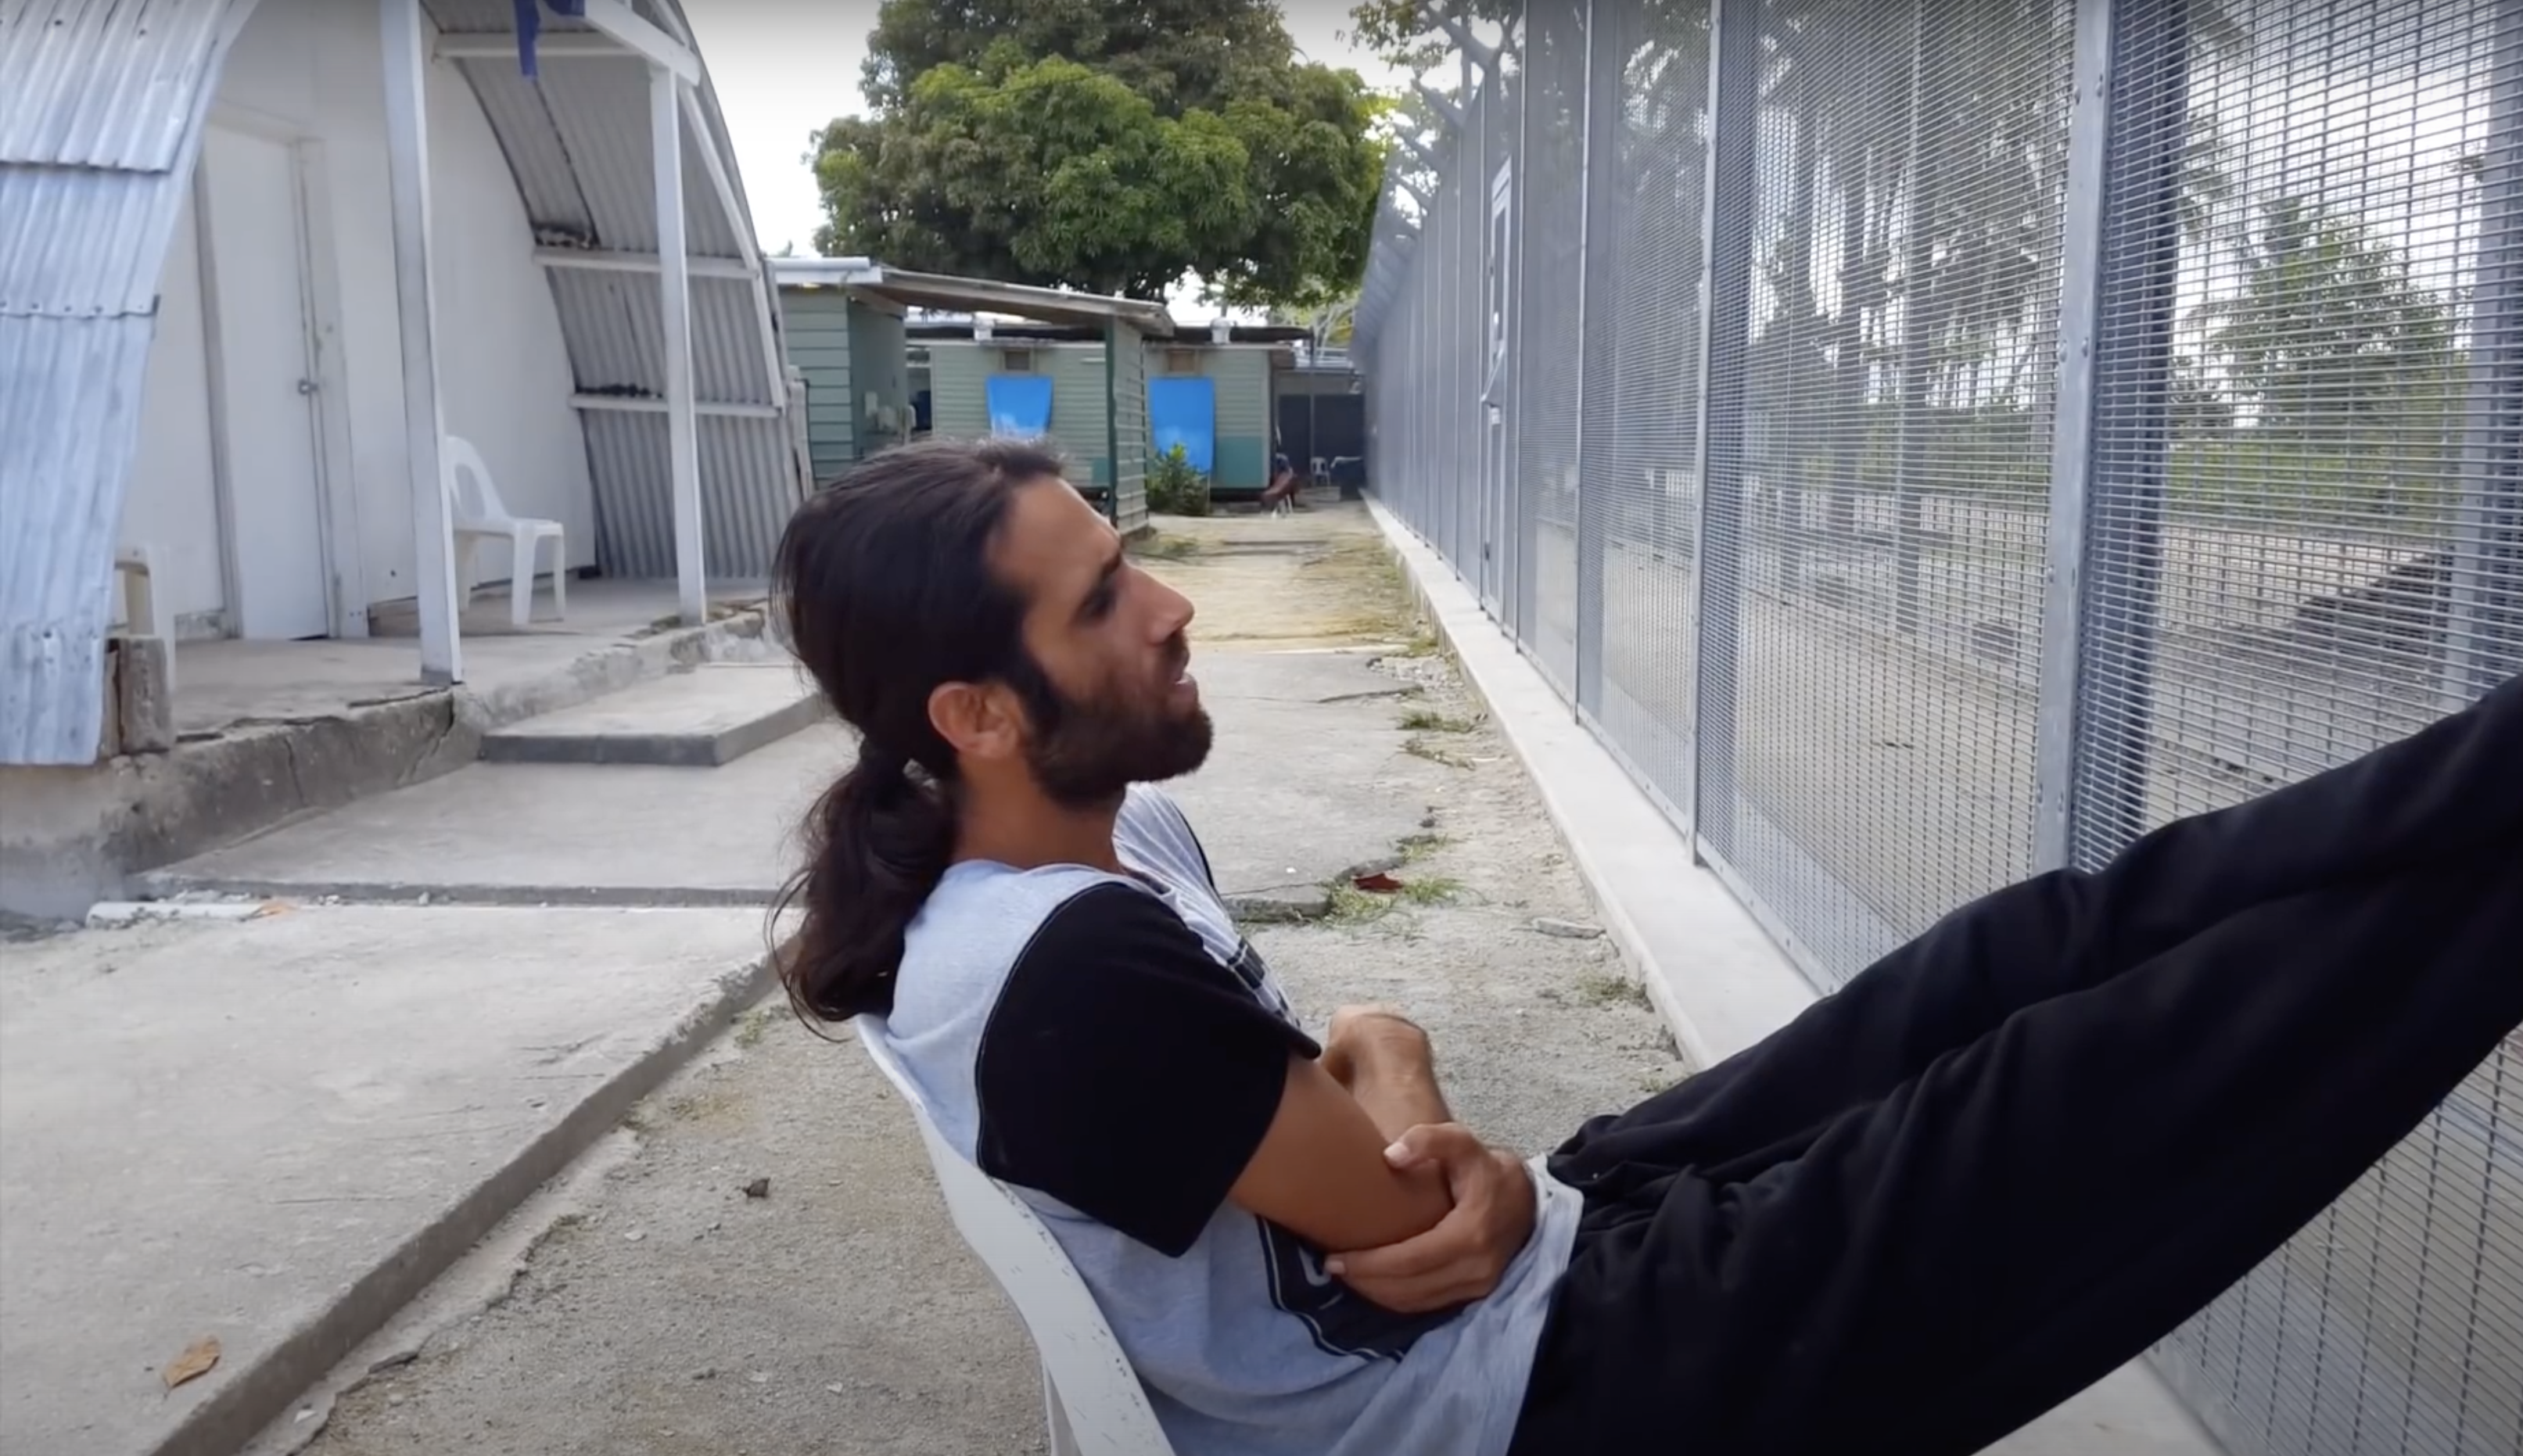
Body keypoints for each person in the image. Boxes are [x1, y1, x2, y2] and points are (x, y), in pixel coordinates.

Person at [771, 437, 2523, 1456]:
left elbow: (1367, 1099)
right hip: (1575, 1392)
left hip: (1572, 1255)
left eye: (1127, 558)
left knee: (2016, 948)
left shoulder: (1107, 846)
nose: (1169, 604)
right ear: (976, 710)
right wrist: (1410, 1114)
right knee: (2134, 1056)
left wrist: (1388, 1059)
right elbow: (1430, 1226)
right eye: (1102, 601)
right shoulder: (1053, 984)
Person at [1260, 450, 1305, 514]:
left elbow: (1288, 472)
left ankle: (1284, 508)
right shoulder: (1279, 463)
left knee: (1282, 494)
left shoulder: (1282, 466)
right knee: (1281, 495)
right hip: (1281, 483)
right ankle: (1282, 508)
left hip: (1283, 483)